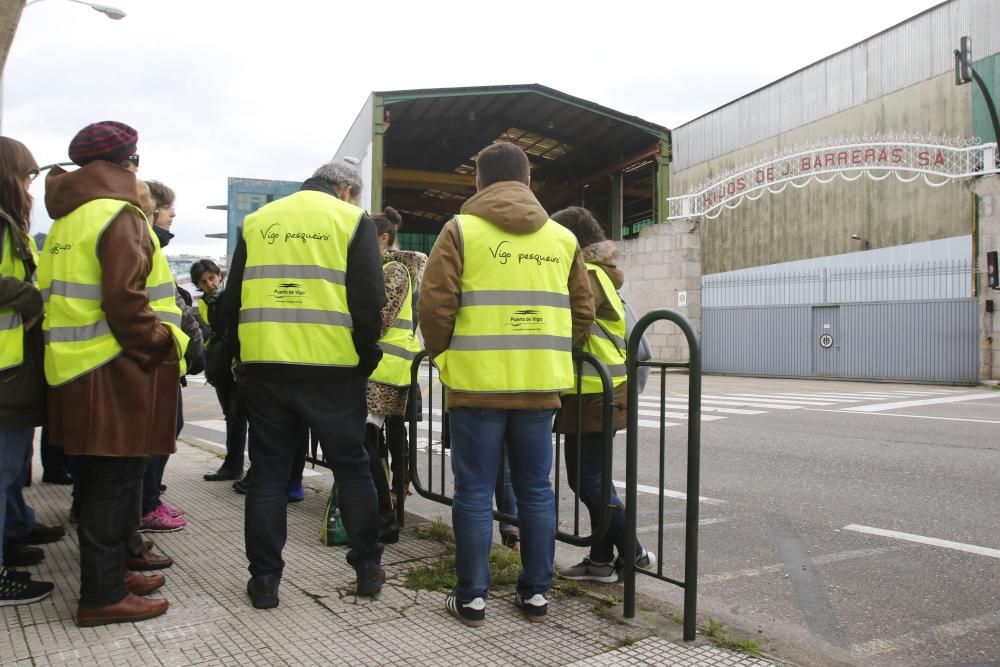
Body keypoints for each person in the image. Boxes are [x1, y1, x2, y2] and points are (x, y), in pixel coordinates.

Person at [419, 142, 594, 627]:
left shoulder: (459, 231)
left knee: (474, 490)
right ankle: (536, 595)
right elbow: (584, 311)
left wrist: (448, 360)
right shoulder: (561, 240)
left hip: (476, 386)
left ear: (478, 182)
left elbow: (434, 306)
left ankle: (472, 599)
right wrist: (550, 348)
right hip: (539, 386)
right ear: (528, 181)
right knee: (537, 490)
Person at [38, 121, 188, 626]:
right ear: (126, 164)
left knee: (105, 482)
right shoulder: (118, 216)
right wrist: (162, 343)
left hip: (72, 370)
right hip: (111, 369)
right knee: (112, 486)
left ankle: (115, 576)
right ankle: (102, 595)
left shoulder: (67, 220)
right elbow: (126, 300)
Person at [221, 161, 386, 609]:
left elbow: (231, 300)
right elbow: (370, 300)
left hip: (266, 367)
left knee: (270, 474)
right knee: (352, 466)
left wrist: (241, 358)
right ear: (347, 190)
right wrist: (364, 356)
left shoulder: (258, 223)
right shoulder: (353, 221)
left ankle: (265, 581)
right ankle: (367, 567)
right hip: (332, 370)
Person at [550, 206, 656, 583]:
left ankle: (635, 550)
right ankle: (599, 560)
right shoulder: (602, 274)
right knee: (596, 477)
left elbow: (572, 323)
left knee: (587, 480)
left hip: (594, 393)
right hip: (599, 392)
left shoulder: (588, 276)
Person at [0, 136, 56, 606]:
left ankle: (11, 535)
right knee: (2, 471)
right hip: (4, 371)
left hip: (11, 370)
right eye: (25, 177)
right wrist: (29, 297)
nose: (30, 189)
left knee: (12, 468)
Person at [136, 179, 202, 532]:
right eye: (168, 210)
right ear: (151, 208)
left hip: (160, 355)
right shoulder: (140, 241)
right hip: (154, 356)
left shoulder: (148, 244)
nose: (172, 214)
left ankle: (148, 501)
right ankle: (144, 506)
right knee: (155, 434)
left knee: (164, 431)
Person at [365, 207, 425, 544]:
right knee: (377, 439)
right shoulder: (396, 268)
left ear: (383, 238)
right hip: (389, 367)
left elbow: (380, 316)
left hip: (383, 367)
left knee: (368, 441)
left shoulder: (393, 269)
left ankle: (385, 515)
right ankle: (390, 505)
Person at [193, 258, 249, 483]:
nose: (210, 284)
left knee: (239, 415)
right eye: (203, 282)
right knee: (231, 415)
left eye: (212, 278)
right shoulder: (205, 303)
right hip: (220, 365)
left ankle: (239, 466)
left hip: (238, 362)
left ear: (220, 276)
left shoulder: (233, 295)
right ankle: (233, 464)